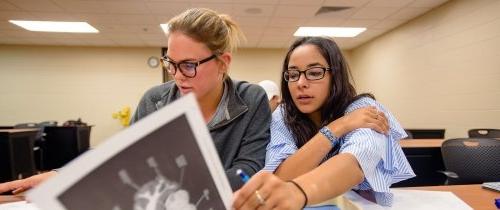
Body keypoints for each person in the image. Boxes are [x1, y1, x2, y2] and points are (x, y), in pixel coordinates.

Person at [0, 10, 387, 194]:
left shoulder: (250, 100)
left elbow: (249, 172)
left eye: (188, 65)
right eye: (171, 62)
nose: (176, 75)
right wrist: (67, 175)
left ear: (223, 63)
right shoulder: (155, 99)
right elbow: (126, 159)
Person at [233, 37, 415, 210]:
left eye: (314, 73)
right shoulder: (283, 114)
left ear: (335, 76)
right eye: (293, 74)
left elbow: (356, 163)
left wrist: (297, 191)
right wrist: (337, 127)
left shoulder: (364, 109)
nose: (301, 83)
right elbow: (281, 176)